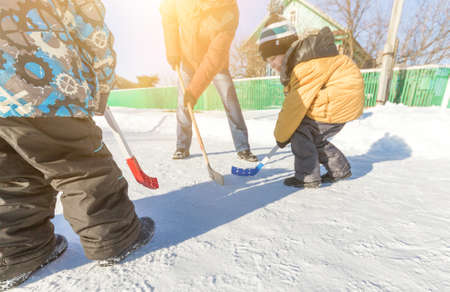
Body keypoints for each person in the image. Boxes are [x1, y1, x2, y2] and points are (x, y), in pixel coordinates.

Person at [0, 1, 154, 289]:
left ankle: (19, 252)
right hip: (40, 83)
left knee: (12, 180)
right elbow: (89, 22)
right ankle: (114, 238)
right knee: (80, 167)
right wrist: (103, 83)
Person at [257, 14, 365, 188]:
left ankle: (307, 176)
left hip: (338, 100)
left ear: (284, 50)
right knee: (315, 136)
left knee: (300, 130)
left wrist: (281, 135)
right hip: (343, 102)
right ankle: (340, 170)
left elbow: (295, 106)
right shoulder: (307, 59)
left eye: (272, 58)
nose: (272, 65)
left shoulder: (304, 65)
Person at [160, 0, 258, 162]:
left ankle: (243, 147)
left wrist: (194, 91)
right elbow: (168, 13)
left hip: (215, 64)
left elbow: (215, 56)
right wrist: (172, 49)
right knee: (183, 102)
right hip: (187, 58)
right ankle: (182, 146)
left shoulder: (229, 10)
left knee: (230, 100)